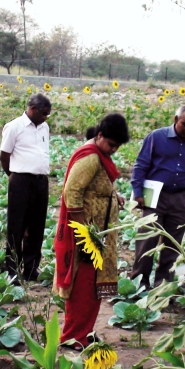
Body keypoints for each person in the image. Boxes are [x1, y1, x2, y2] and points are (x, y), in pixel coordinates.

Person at [54, 113, 130, 348]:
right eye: (111, 144)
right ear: (99, 136)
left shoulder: (100, 156)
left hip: (97, 235)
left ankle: (84, 332)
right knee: (83, 289)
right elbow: (72, 192)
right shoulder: (90, 158)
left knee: (91, 289)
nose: (114, 149)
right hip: (87, 237)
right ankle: (72, 337)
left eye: (117, 146)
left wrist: (113, 194)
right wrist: (84, 232)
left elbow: (94, 186)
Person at [130, 105, 185, 290]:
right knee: (147, 239)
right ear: (175, 119)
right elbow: (141, 165)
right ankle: (140, 282)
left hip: (180, 198)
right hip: (155, 194)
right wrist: (138, 193)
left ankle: (163, 285)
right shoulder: (156, 137)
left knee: (173, 243)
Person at [0, 94, 52, 282]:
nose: (46, 117)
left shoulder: (44, 127)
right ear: (32, 109)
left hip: (41, 181)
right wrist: (13, 176)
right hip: (21, 180)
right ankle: (12, 269)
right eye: (44, 113)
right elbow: (4, 156)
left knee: (37, 227)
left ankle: (31, 268)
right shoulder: (14, 127)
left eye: (48, 114)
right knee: (16, 226)